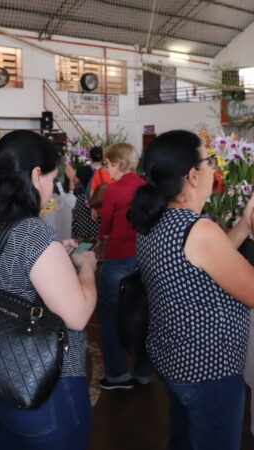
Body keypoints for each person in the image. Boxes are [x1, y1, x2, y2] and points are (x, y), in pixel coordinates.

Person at [129, 130, 254, 450]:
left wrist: (245, 225)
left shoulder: (155, 220)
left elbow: (209, 257)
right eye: (210, 161)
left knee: (183, 440)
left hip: (174, 360)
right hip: (210, 370)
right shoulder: (198, 230)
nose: (215, 168)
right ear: (193, 175)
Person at [0, 130, 97, 449]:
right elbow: (77, 315)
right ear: (36, 175)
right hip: (43, 390)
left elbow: (6, 263)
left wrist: (54, 253)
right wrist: (86, 266)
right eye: (51, 177)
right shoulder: (32, 232)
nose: (50, 186)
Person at [96, 142, 152, 389]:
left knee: (108, 316)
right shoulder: (147, 189)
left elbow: (105, 228)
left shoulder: (112, 191)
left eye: (107, 163)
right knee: (146, 313)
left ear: (118, 163)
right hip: (145, 257)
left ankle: (118, 374)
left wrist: (100, 241)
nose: (106, 168)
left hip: (118, 257)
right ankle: (144, 370)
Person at [71, 146, 103, 240]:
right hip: (100, 202)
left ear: (90, 157)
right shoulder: (107, 171)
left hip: (84, 201)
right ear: (102, 157)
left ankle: (83, 251)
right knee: (99, 231)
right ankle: (98, 253)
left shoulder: (82, 170)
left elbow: (75, 182)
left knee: (83, 231)